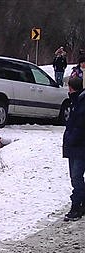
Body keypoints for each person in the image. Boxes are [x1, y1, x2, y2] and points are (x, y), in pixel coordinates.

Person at [63, 76, 85, 221]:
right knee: (77, 177)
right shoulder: (77, 101)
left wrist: (70, 140)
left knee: (76, 177)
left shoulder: (80, 103)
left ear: (71, 88)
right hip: (77, 146)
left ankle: (77, 207)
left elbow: (79, 126)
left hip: (79, 147)